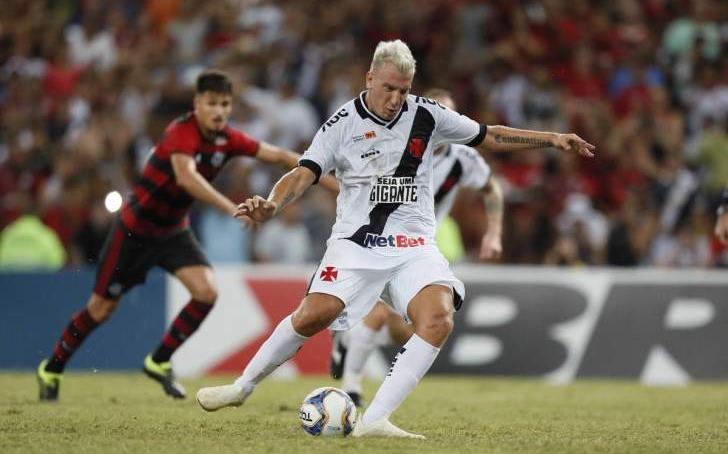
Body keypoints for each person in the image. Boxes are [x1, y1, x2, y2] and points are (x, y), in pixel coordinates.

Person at [196, 40, 594, 438]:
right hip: (356, 244)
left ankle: (374, 420)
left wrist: (551, 138)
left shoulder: (427, 114)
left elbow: (489, 136)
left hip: (413, 246)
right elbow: (303, 173)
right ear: (370, 78)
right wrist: (271, 204)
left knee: (438, 318)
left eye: (403, 90)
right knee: (314, 315)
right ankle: (242, 387)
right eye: (388, 88)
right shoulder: (341, 124)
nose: (395, 99)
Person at [35, 70, 336, 402]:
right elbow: (186, 177)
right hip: (135, 230)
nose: (219, 111)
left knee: (206, 292)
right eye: (212, 103)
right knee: (100, 309)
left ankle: (159, 360)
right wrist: (228, 206)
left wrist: (333, 182)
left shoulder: (228, 140)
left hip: (172, 231)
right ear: (197, 104)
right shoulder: (181, 132)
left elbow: (280, 156)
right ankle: (52, 366)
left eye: (225, 104)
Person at [329, 88, 504, 407]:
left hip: (420, 247)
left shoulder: (463, 158)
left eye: (449, 116)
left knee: (405, 331)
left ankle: (348, 338)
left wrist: (493, 233)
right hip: (380, 238)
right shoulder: (394, 144)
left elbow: (491, 189)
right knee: (379, 310)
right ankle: (352, 387)